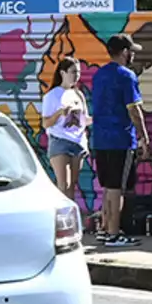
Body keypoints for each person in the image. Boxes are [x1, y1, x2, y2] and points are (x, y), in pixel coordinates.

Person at [89, 33, 150, 247]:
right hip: (120, 140)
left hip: (100, 139)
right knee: (117, 189)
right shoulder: (126, 76)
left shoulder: (99, 75)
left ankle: (106, 230)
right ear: (124, 52)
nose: (133, 54)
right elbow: (134, 109)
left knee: (107, 187)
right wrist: (143, 136)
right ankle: (114, 234)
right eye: (131, 50)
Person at [40, 56, 89, 201]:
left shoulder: (78, 94)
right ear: (62, 73)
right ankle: (60, 217)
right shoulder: (52, 95)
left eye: (78, 72)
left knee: (72, 186)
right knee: (63, 184)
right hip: (60, 141)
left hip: (77, 142)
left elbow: (84, 120)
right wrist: (59, 113)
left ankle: (69, 218)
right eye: (73, 72)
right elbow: (46, 123)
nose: (76, 76)